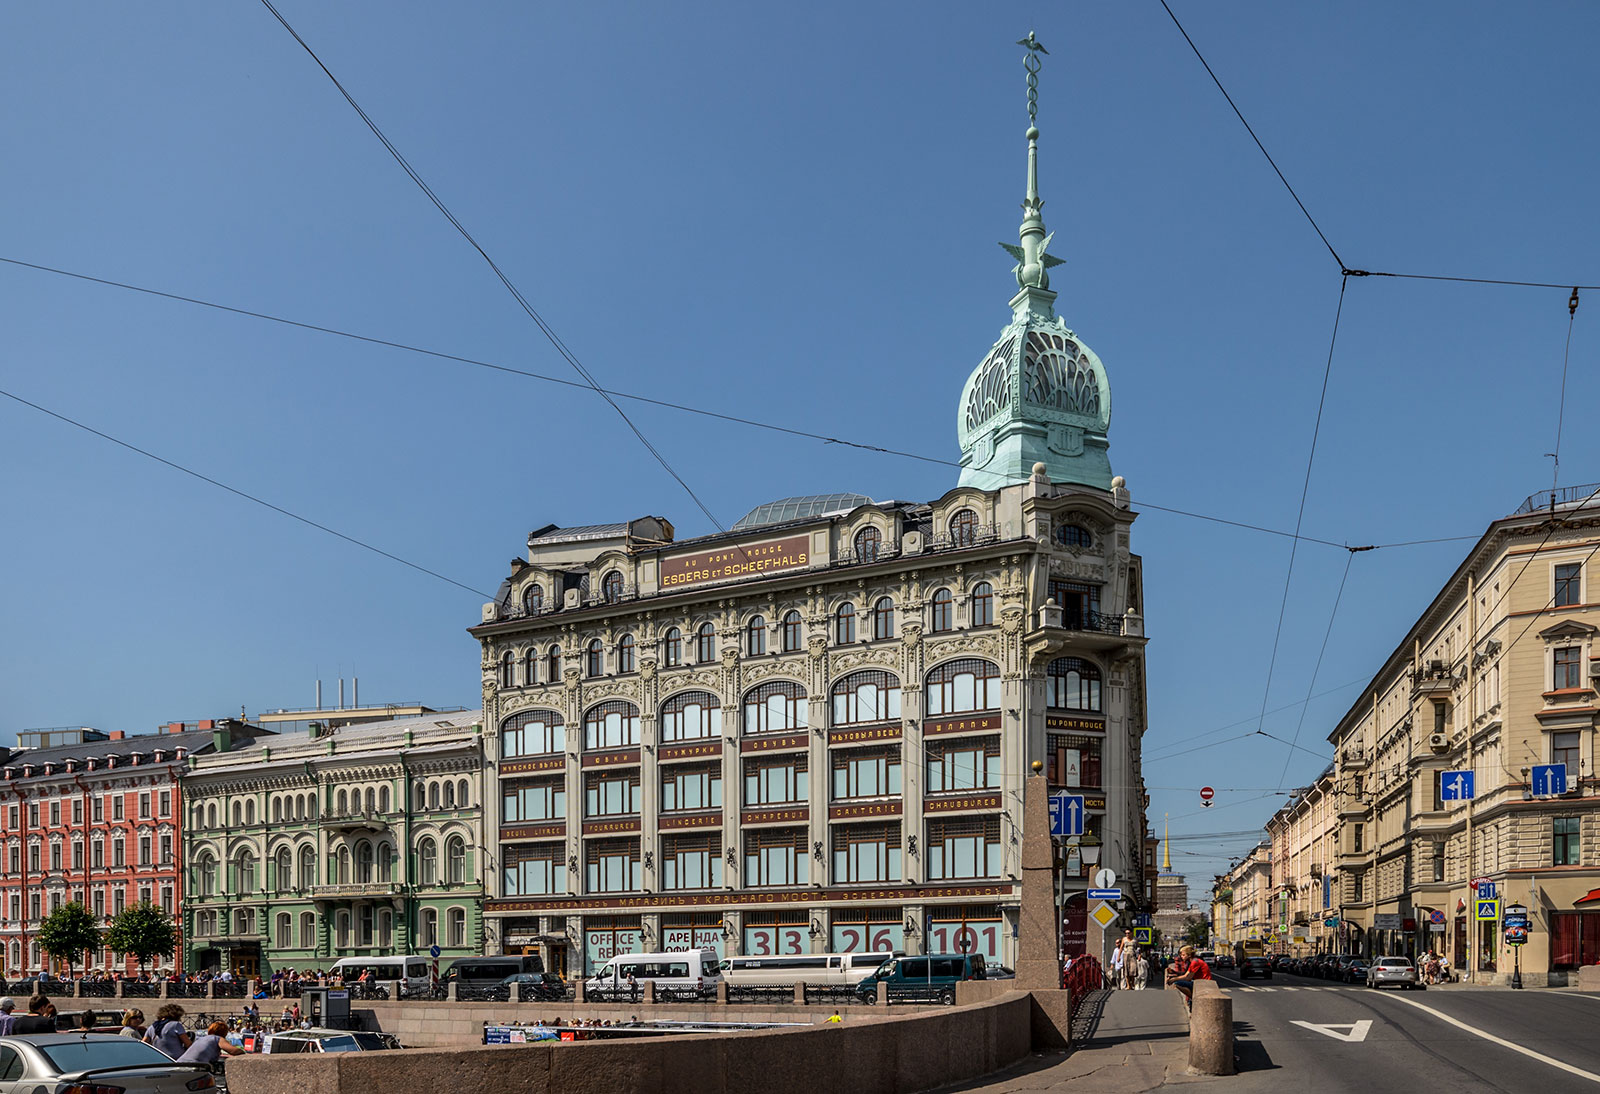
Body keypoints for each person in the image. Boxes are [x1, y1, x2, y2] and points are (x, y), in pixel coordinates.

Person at [178, 1020, 246, 1065]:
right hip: (192, 1066)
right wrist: (244, 1053)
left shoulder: (201, 1039)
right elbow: (233, 1051)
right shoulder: (217, 1038)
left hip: (180, 1063)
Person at [1165, 945, 1212, 1010]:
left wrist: (1173, 979)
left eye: (1183, 955)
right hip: (1199, 982)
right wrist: (1173, 973)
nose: (1181, 957)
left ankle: (1192, 997)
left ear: (1189, 955)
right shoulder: (1193, 961)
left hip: (1203, 983)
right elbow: (1185, 974)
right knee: (1179, 982)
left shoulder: (1195, 962)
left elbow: (1188, 978)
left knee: (1177, 984)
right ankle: (1192, 997)